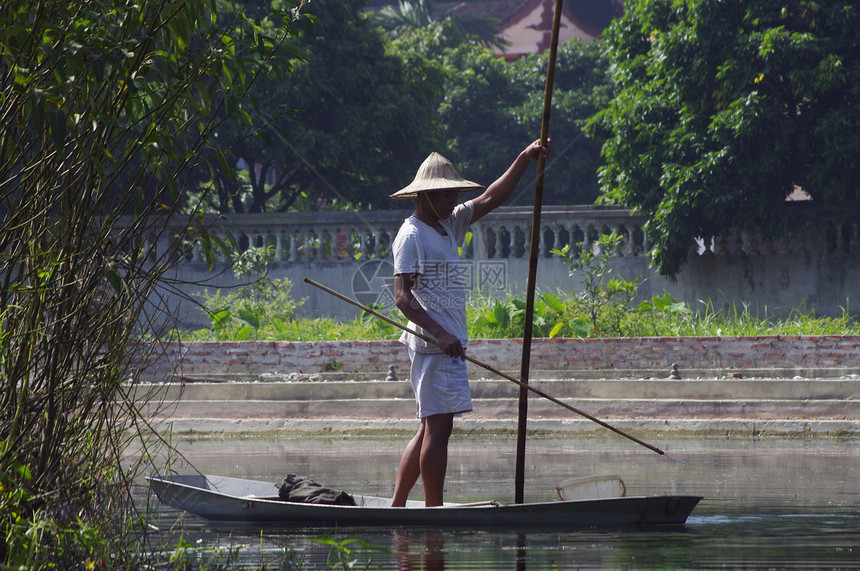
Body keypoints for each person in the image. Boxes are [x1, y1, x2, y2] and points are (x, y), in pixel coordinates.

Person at [389, 139, 550, 507]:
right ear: (426, 196)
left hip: (447, 344)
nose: (453, 201)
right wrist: (442, 334)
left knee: (430, 425)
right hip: (434, 346)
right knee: (439, 428)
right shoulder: (411, 234)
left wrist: (524, 157)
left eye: (455, 195)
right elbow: (402, 297)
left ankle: (398, 507)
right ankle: (434, 509)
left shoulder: (446, 225)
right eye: (447, 195)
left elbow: (492, 198)